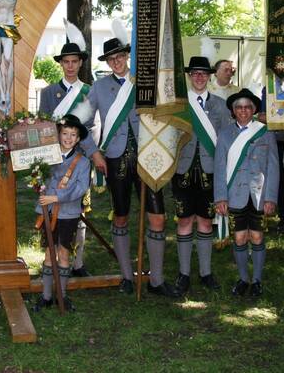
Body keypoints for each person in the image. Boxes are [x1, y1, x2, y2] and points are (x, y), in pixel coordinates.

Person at [85, 31, 181, 297]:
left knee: (158, 217)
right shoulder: (98, 87)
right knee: (121, 215)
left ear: (128, 56)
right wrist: (94, 153)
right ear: (106, 62)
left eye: (120, 56)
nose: (117, 62)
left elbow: (163, 115)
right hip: (115, 160)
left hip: (149, 157)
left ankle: (157, 280)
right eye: (111, 59)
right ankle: (127, 276)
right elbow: (82, 122)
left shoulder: (144, 81)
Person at [38, 22, 105, 276]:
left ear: (80, 63)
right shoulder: (48, 93)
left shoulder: (88, 92)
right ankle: (51, 257)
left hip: (78, 160)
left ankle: (77, 262)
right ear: (61, 64)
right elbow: (45, 128)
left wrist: (92, 153)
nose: (70, 66)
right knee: (52, 207)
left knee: (78, 207)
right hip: (54, 161)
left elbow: (89, 129)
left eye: (74, 61)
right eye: (66, 61)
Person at [173, 56, 230, 294]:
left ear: (209, 77)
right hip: (182, 171)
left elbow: (226, 141)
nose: (199, 77)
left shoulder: (220, 105)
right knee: (185, 221)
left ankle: (206, 273)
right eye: (195, 73)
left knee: (206, 222)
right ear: (189, 76)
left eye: (203, 74)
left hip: (210, 171)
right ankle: (184, 274)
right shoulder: (179, 104)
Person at [214, 88, 278, 298]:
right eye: (238, 107)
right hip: (234, 194)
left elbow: (273, 167)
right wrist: (220, 197)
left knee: (257, 236)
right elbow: (220, 168)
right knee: (240, 238)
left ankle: (257, 280)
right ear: (233, 111)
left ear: (253, 110)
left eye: (247, 107)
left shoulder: (265, 132)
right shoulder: (224, 134)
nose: (243, 111)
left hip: (259, 194)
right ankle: (243, 279)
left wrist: (271, 197)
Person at [32, 114, 92, 312]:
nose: (68, 138)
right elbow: (38, 178)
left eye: (73, 135)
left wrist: (56, 197)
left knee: (64, 252)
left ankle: (62, 296)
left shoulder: (82, 162)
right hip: (48, 212)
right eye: (64, 133)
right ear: (58, 135)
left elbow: (80, 188)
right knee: (49, 252)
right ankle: (47, 295)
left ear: (78, 138)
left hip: (68, 212)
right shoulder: (47, 156)